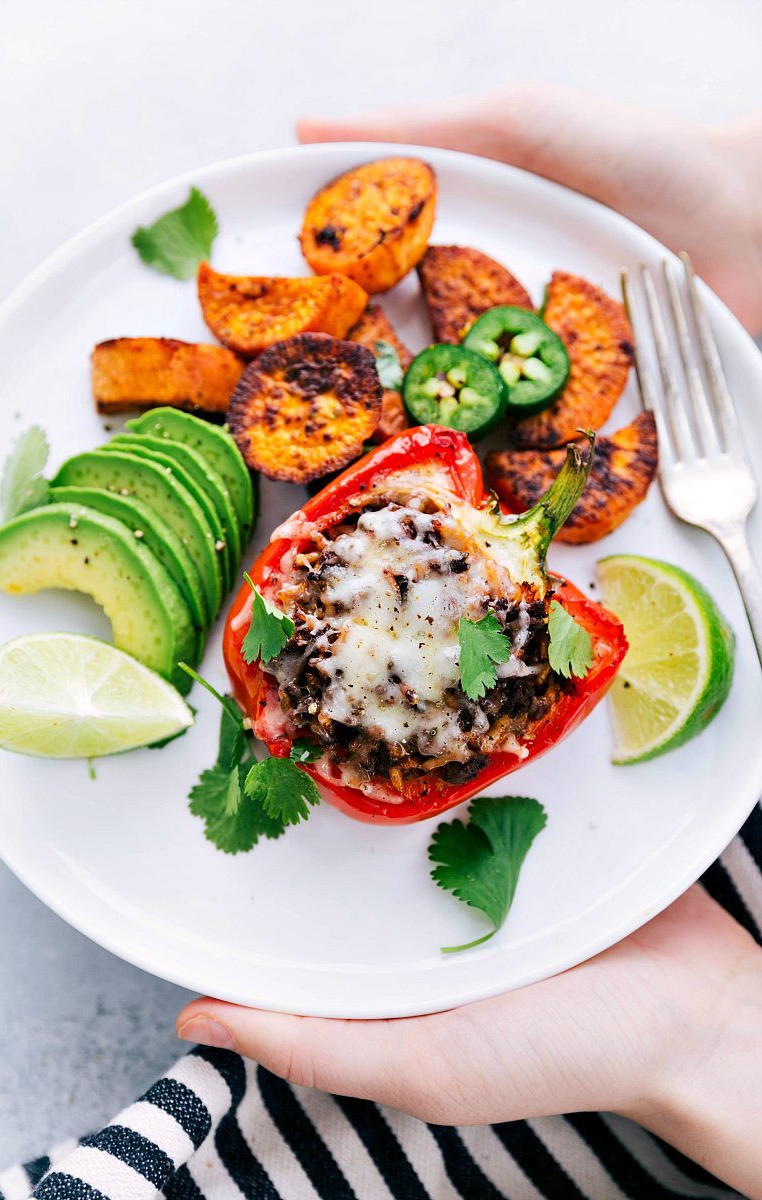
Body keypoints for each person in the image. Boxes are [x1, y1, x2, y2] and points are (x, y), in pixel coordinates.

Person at [178, 87, 762, 1200]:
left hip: (456, 675)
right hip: (360, 639)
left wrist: (711, 1045)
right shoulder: (428, 482)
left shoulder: (563, 632)